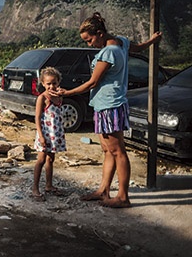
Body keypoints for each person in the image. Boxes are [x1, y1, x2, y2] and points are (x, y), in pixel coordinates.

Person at [57, 12, 162, 208]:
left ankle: (123, 197)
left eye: (90, 40)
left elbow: (92, 82)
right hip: (106, 104)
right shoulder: (121, 42)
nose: (89, 45)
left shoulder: (108, 53)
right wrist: (152, 41)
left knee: (117, 150)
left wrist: (67, 92)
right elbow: (137, 48)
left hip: (109, 105)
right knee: (107, 150)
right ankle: (103, 190)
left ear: (99, 33)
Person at [32, 67, 67, 201]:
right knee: (41, 160)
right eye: (48, 83)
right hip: (45, 133)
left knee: (50, 159)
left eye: (54, 83)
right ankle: (35, 188)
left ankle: (49, 185)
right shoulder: (42, 98)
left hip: (55, 133)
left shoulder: (59, 97)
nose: (51, 86)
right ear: (43, 83)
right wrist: (40, 136)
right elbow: (37, 117)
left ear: (58, 83)